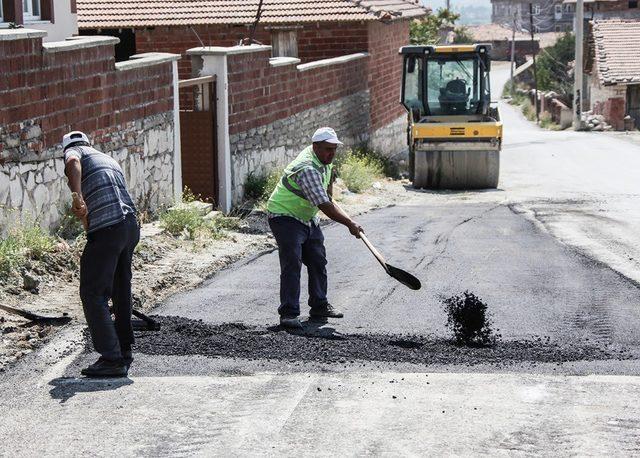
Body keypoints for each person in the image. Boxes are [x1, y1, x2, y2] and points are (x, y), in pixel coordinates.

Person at [266, 127, 363, 329]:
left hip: (306, 216)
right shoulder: (308, 168)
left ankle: (319, 306)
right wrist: (350, 224)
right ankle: (289, 314)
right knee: (293, 262)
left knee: (318, 260)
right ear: (315, 147)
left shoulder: (324, 160)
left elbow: (328, 196)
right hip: (284, 215)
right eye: (328, 149)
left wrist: (347, 219)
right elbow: (325, 205)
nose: (332, 153)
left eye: (334, 149)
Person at [63, 131, 139, 377]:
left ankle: (111, 358)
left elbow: (72, 163)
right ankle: (124, 349)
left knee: (92, 292)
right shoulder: (107, 159)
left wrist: (77, 196)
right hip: (130, 227)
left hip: (109, 227)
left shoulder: (75, 154)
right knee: (120, 288)